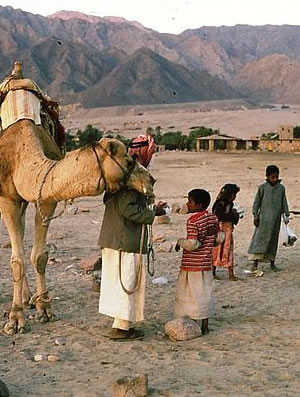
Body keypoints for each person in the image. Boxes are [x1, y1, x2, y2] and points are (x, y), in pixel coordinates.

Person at [98, 138, 166, 341]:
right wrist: (153, 213)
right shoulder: (132, 177)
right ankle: (121, 328)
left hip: (115, 238)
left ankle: (120, 325)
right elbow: (127, 209)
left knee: (118, 282)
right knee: (126, 282)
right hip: (124, 239)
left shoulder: (122, 175)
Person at [175, 189, 218, 335]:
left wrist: (180, 242)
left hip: (192, 264)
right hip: (206, 263)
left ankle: (190, 321)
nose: (187, 204)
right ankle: (205, 324)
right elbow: (217, 238)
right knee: (204, 294)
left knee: (190, 294)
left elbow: (193, 244)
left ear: (198, 205)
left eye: (190, 201)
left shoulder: (192, 221)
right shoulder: (212, 218)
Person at [248, 164, 290, 272]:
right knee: (259, 240)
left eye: (276, 177)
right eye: (272, 177)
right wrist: (255, 216)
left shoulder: (281, 188)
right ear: (267, 176)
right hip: (263, 221)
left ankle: (272, 263)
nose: (275, 179)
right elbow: (256, 203)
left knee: (273, 241)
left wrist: (286, 215)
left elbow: (284, 202)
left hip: (276, 221)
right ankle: (255, 263)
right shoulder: (262, 188)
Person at [212, 183, 240, 281]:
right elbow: (219, 217)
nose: (235, 197)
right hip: (220, 231)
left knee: (228, 250)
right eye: (234, 195)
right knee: (217, 250)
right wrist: (233, 215)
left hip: (228, 231)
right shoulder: (220, 204)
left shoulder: (229, 204)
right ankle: (213, 272)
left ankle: (230, 273)